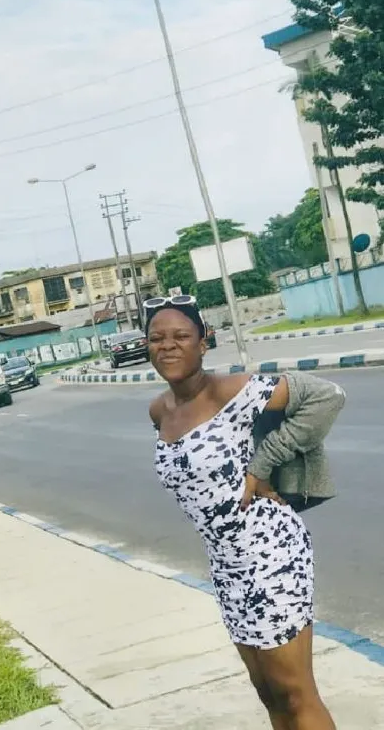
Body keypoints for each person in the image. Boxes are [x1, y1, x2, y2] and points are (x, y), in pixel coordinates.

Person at [146, 296, 345, 730]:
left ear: (204, 342)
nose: (169, 346)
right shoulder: (160, 410)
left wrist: (262, 464)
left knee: (294, 690)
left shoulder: (229, 390)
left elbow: (328, 396)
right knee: (267, 691)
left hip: (270, 552)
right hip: (226, 565)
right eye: (157, 338)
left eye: (182, 336)